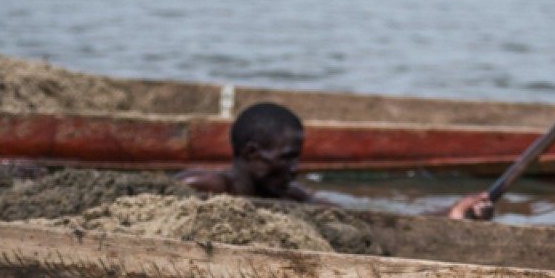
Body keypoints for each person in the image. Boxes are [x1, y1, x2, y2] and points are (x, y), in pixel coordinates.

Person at [172, 102, 495, 220]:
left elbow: (361, 219)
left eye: (297, 158)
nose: (295, 169)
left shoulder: (290, 197)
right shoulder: (202, 187)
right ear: (252, 155)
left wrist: (452, 211)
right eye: (286, 159)